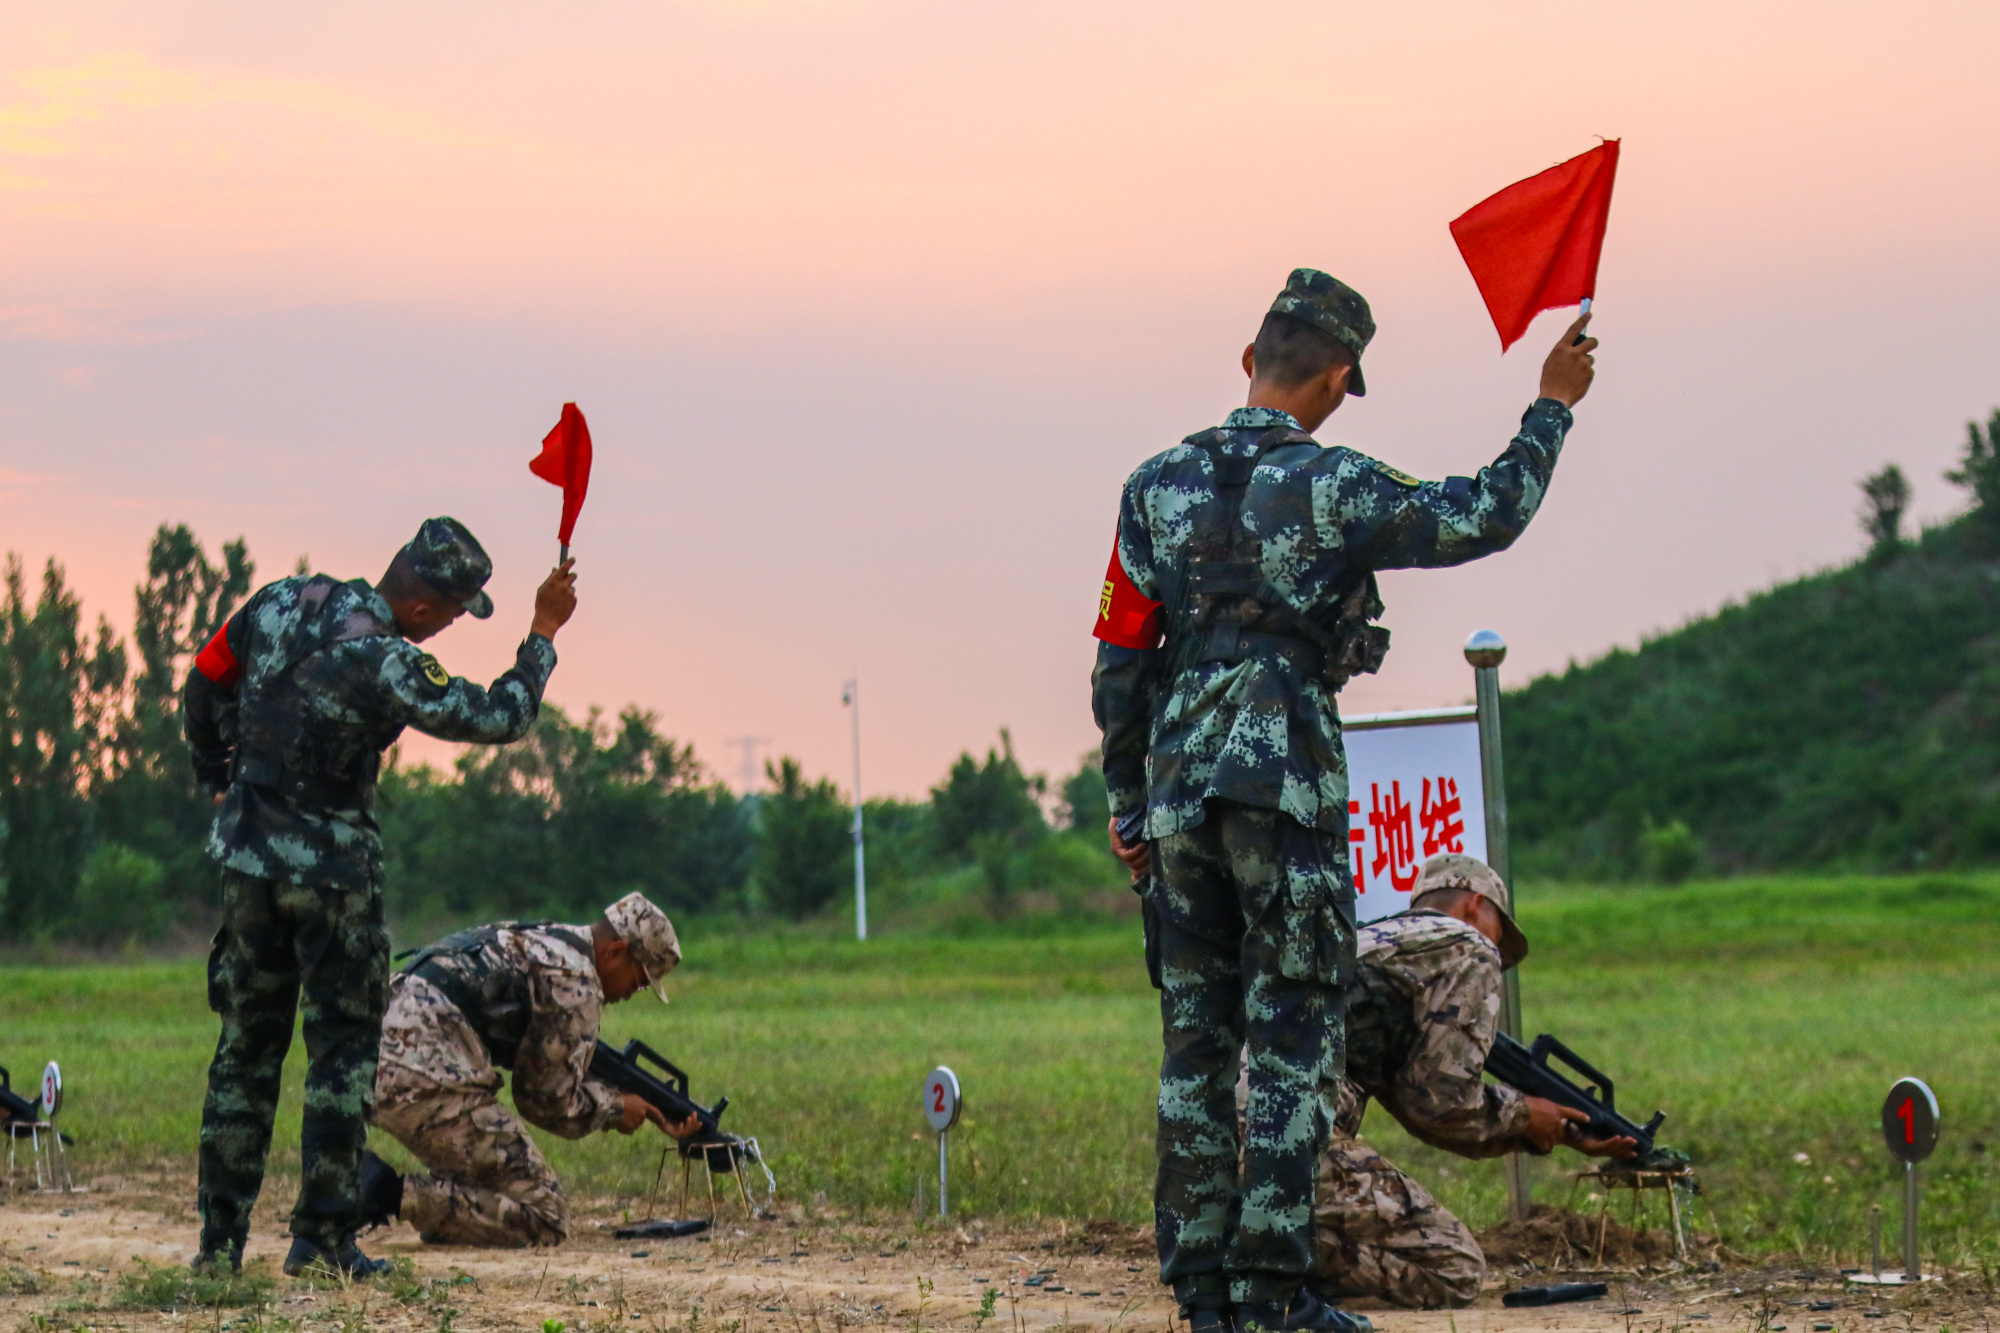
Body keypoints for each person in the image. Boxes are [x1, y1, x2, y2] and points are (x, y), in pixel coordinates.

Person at [1091, 269, 1597, 1333]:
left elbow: (1119, 656)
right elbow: (1479, 515)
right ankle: (1270, 1297)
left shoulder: (1152, 487)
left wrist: (1129, 805)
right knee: (1287, 1037)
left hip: (1180, 785)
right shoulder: (1328, 484)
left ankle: (1199, 1290)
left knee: (1193, 1043)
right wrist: (1549, 405)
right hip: (1283, 781)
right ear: (1333, 376)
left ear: (1248, 362)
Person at [183, 517, 578, 1278]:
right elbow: (503, 714)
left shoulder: (278, 601)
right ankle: (324, 1240)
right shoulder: (386, 659)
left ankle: (217, 1250)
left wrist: (218, 776)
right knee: (342, 1057)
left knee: (243, 1055)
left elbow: (204, 679)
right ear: (426, 609)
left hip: (247, 868)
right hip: (333, 881)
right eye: (457, 614)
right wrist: (543, 631)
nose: (451, 629)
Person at [1264, 855, 1634, 1309]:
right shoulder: (1468, 944)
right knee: (1454, 1269)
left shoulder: (1373, 942)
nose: (1497, 955)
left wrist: (1545, 1129)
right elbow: (1443, 1102)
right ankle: (1264, 1256)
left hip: (1247, 1130)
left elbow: (1423, 1107)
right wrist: (1524, 1113)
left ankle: (1258, 1235)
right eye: (1500, 936)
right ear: (1476, 906)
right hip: (1299, 1137)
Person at [354, 893, 699, 1247]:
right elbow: (545, 1102)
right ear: (615, 951)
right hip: (422, 1078)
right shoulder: (575, 981)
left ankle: (446, 1217)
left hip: (370, 1060)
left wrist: (643, 1102)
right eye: (639, 981)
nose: (631, 993)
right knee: (545, 1216)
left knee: (493, 1189)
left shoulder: (546, 939)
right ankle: (377, 1191)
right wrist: (615, 1108)